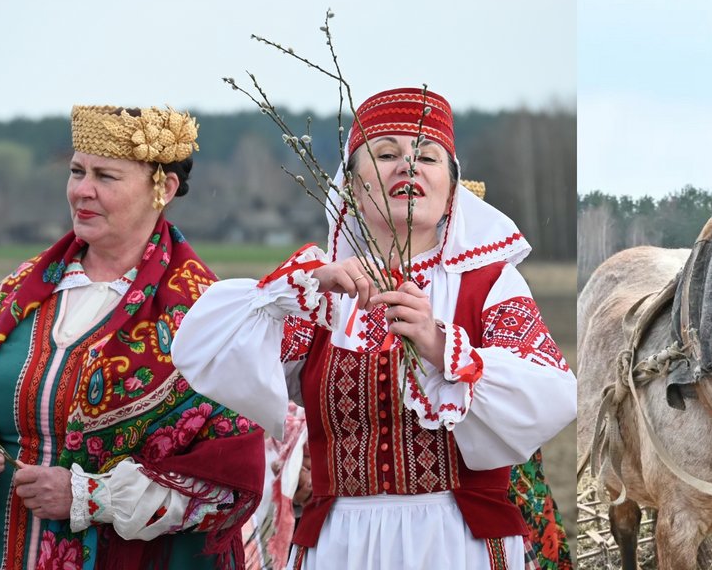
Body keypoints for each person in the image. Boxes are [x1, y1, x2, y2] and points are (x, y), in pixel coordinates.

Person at [170, 86, 577, 570]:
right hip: (339, 544)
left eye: (427, 156)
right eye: (386, 155)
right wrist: (294, 287)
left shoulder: (488, 284)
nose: (408, 166)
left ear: (451, 190)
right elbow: (201, 350)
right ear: (354, 188)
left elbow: (553, 395)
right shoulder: (325, 292)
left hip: (454, 543)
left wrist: (440, 345)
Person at [0, 104, 266, 569]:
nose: (82, 191)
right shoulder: (17, 292)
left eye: (106, 177)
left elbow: (230, 481)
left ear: (164, 188)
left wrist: (91, 496)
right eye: (76, 171)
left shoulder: (203, 315)